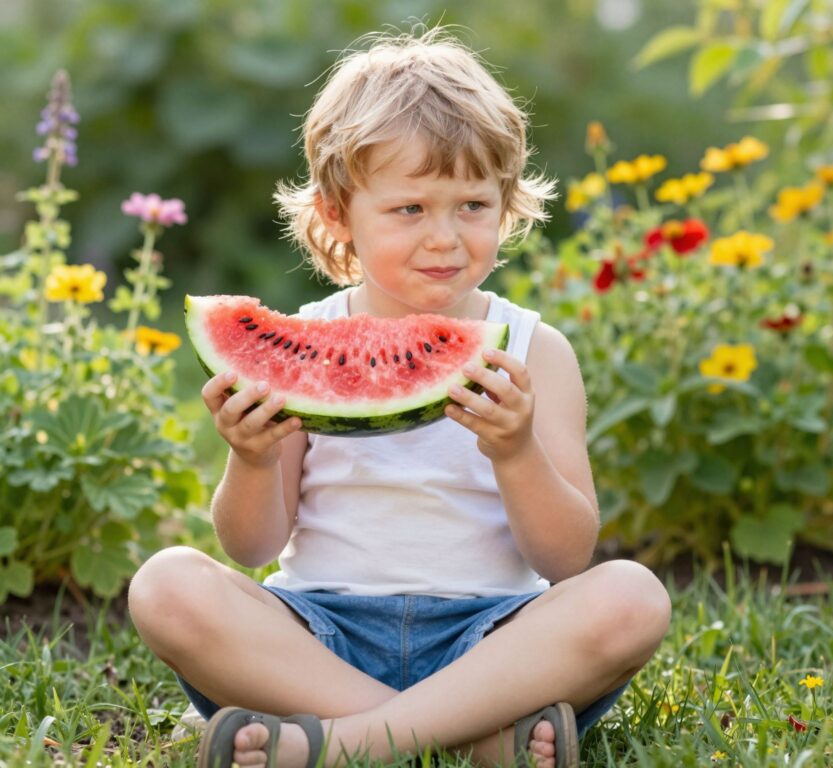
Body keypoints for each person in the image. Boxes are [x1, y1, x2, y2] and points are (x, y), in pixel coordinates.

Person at [128, 27, 671, 768]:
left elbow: (568, 557)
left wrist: (515, 450)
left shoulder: (537, 351)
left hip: (492, 636)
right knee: (165, 586)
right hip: (317, 633)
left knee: (632, 598)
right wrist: (250, 459)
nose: (445, 238)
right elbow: (250, 547)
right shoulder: (302, 343)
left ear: (508, 203)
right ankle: (475, 737)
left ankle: (334, 745)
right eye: (410, 209)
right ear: (335, 215)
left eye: (473, 205)